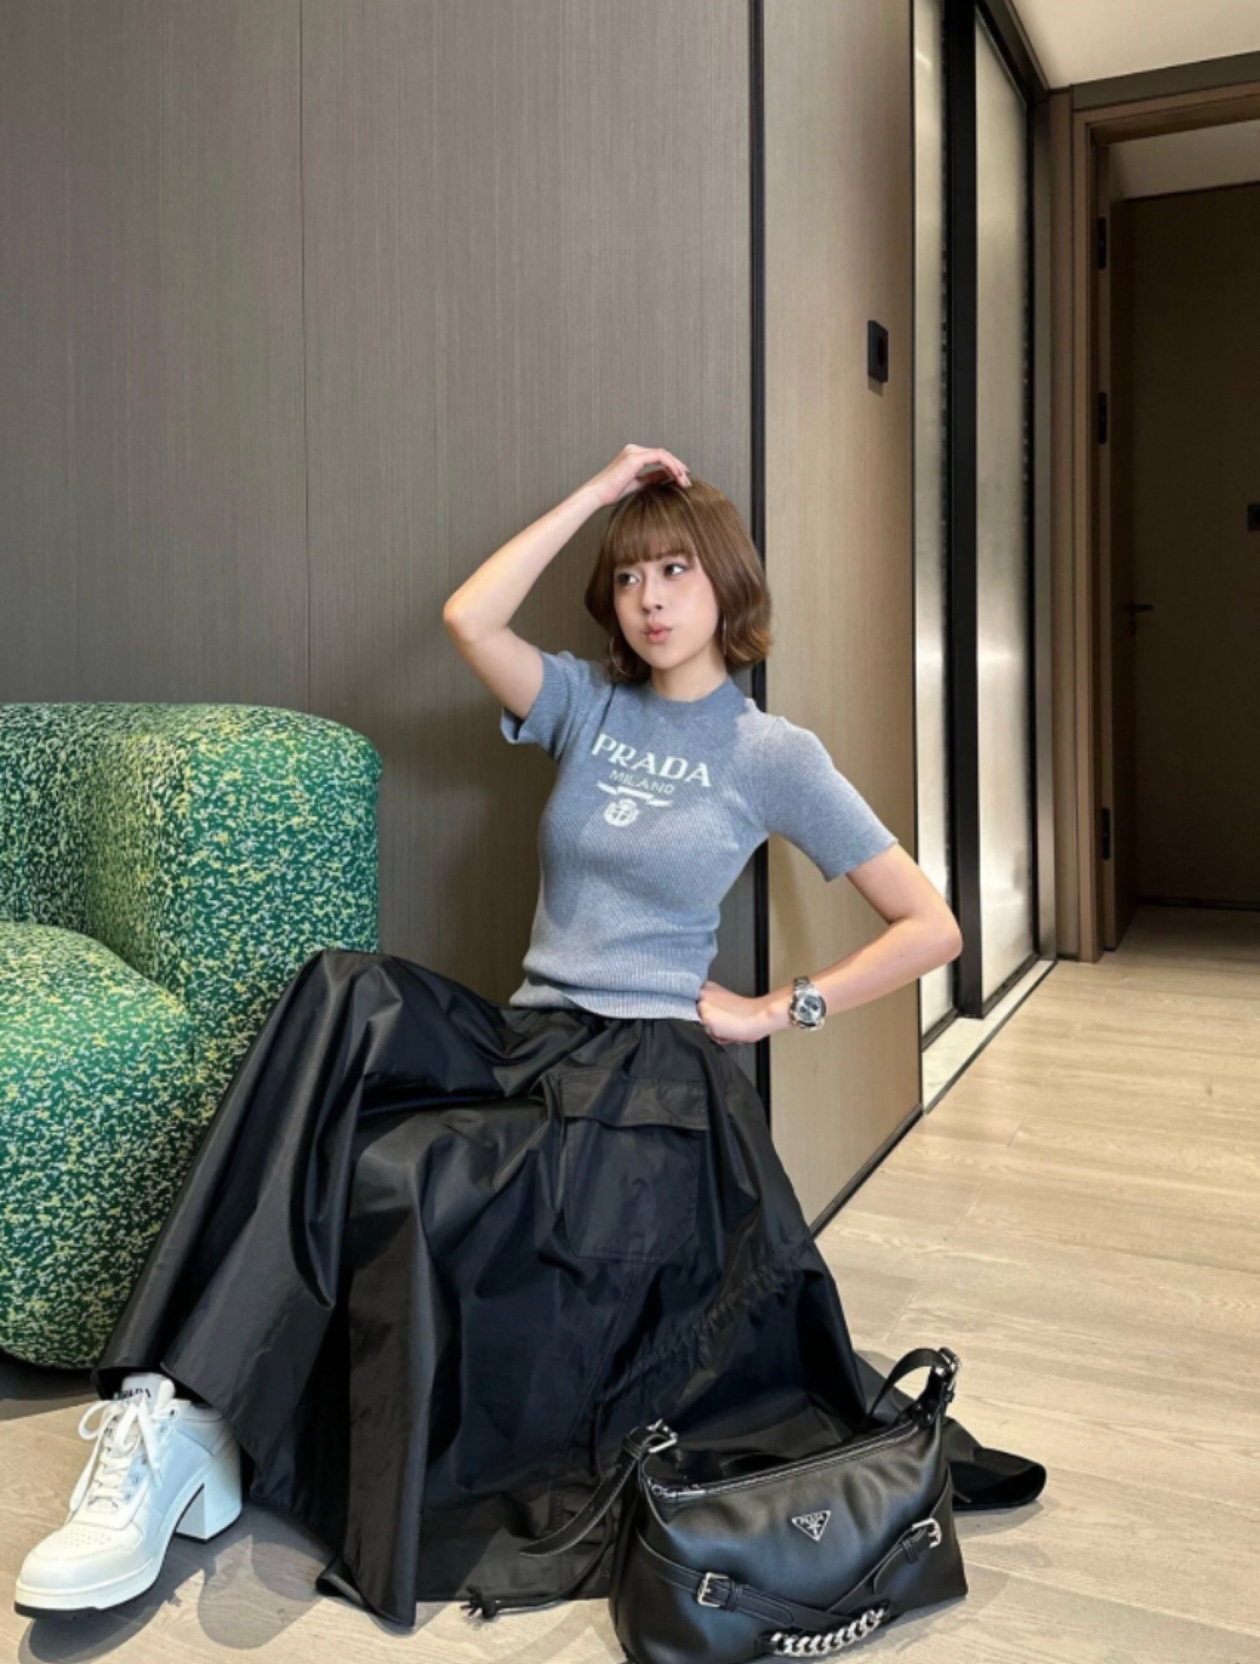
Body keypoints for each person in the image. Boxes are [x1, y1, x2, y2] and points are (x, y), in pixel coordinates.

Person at [15, 445, 1043, 1626]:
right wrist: (603, 492)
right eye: (628, 577)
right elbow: (469, 615)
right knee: (342, 985)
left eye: (676, 569)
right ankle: (173, 1407)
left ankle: (191, 1414)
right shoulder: (587, 704)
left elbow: (931, 925)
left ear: (727, 583)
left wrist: (775, 1007)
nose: (650, 598)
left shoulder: (771, 753)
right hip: (529, 1032)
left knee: (415, 1174)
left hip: (648, 1075)